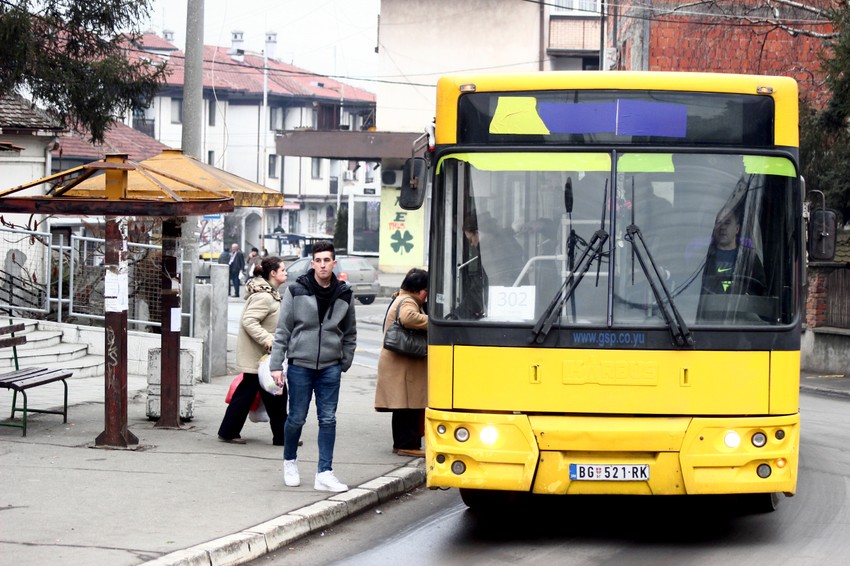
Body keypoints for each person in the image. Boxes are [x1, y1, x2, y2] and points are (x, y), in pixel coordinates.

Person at [269, 240, 357, 492]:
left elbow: (350, 332)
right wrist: (276, 365)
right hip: (300, 365)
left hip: (330, 367)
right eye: (318, 260)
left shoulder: (344, 293)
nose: (322, 265)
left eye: (327, 260)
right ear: (312, 263)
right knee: (296, 418)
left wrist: (344, 361)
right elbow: (283, 330)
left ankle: (324, 473)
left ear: (334, 263)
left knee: (328, 419)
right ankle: (290, 462)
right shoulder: (296, 290)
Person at [217, 256, 290, 445]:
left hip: (262, 356)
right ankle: (281, 436)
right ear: (273, 273)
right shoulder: (265, 297)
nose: (286, 273)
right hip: (259, 356)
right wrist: (269, 340)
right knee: (273, 392)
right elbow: (249, 321)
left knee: (269, 393)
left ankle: (280, 436)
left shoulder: (270, 294)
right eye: (283, 270)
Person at [374, 268, 429, 457]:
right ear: (419, 289)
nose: (426, 296)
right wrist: (434, 321)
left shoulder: (400, 298)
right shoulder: (408, 301)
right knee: (409, 405)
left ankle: (401, 443)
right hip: (402, 365)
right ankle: (408, 445)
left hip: (398, 364)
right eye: (426, 291)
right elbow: (408, 318)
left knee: (402, 406)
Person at [700, 209, 766, 297]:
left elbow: (761, 291)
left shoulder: (750, 258)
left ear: (737, 229)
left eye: (727, 223)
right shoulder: (703, 258)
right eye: (718, 223)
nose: (722, 227)